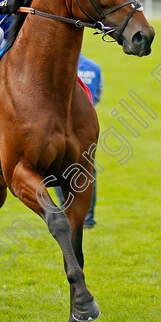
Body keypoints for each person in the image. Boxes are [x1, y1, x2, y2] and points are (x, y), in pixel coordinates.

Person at [54, 53, 103, 228]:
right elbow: (96, 97)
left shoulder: (57, 65)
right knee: (88, 172)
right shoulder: (94, 67)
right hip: (84, 127)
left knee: (59, 170)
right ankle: (87, 219)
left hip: (59, 127)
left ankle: (66, 213)